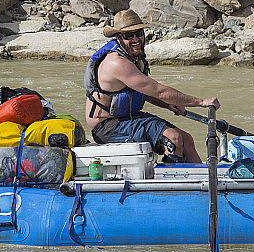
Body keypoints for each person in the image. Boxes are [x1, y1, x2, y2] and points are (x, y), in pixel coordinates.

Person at [84, 9, 220, 163]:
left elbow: (145, 91)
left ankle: (204, 181)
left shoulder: (135, 56)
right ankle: (174, 185)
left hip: (128, 118)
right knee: (173, 140)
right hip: (107, 127)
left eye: (139, 33)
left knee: (186, 139)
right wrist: (201, 102)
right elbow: (158, 91)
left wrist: (169, 104)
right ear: (118, 37)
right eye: (129, 35)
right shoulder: (117, 63)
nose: (136, 39)